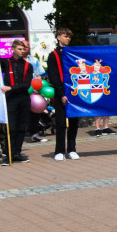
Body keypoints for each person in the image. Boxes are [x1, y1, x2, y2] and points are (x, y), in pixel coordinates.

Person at [45, 28, 80, 160]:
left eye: (69, 37)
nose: (68, 39)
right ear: (59, 37)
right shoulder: (53, 55)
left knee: (74, 122)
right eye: (65, 36)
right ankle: (59, 151)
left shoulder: (73, 53)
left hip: (73, 92)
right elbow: (53, 76)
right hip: (61, 94)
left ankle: (72, 149)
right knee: (60, 123)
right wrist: (61, 94)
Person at [0, 39, 32, 164]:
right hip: (11, 98)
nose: (22, 51)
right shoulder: (6, 62)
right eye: (19, 49)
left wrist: (11, 87)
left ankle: (17, 153)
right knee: (11, 128)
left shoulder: (28, 65)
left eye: (23, 49)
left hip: (23, 98)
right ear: (12, 49)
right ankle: (9, 155)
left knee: (21, 127)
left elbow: (27, 85)